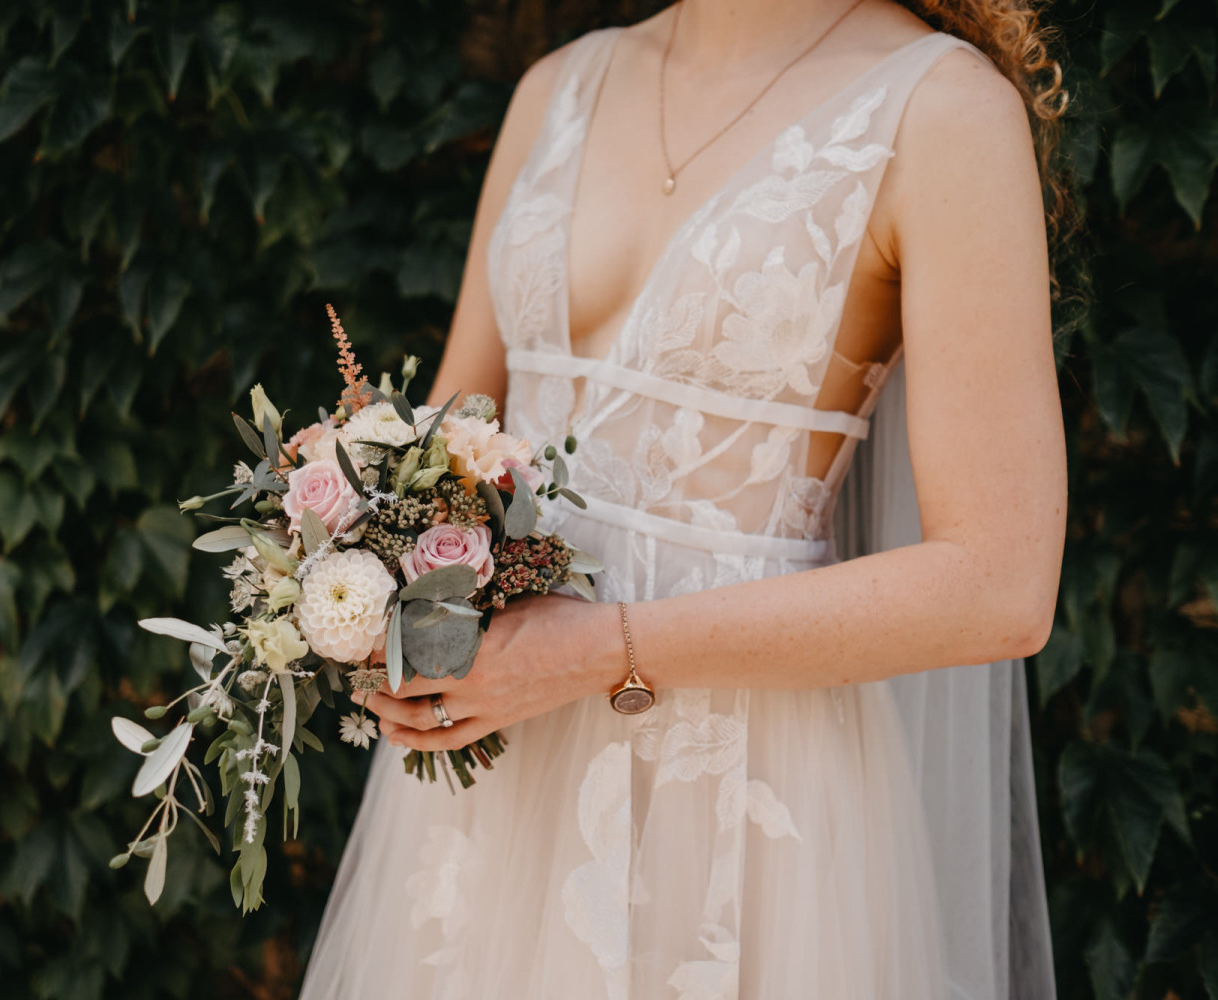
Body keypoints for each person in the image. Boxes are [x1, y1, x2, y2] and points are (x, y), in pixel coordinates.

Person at [299, 0, 1068, 996]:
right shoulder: (560, 88)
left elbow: (999, 583)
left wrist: (599, 647)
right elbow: (452, 438)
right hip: (496, 777)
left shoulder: (943, 111)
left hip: (738, 799)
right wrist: (360, 577)